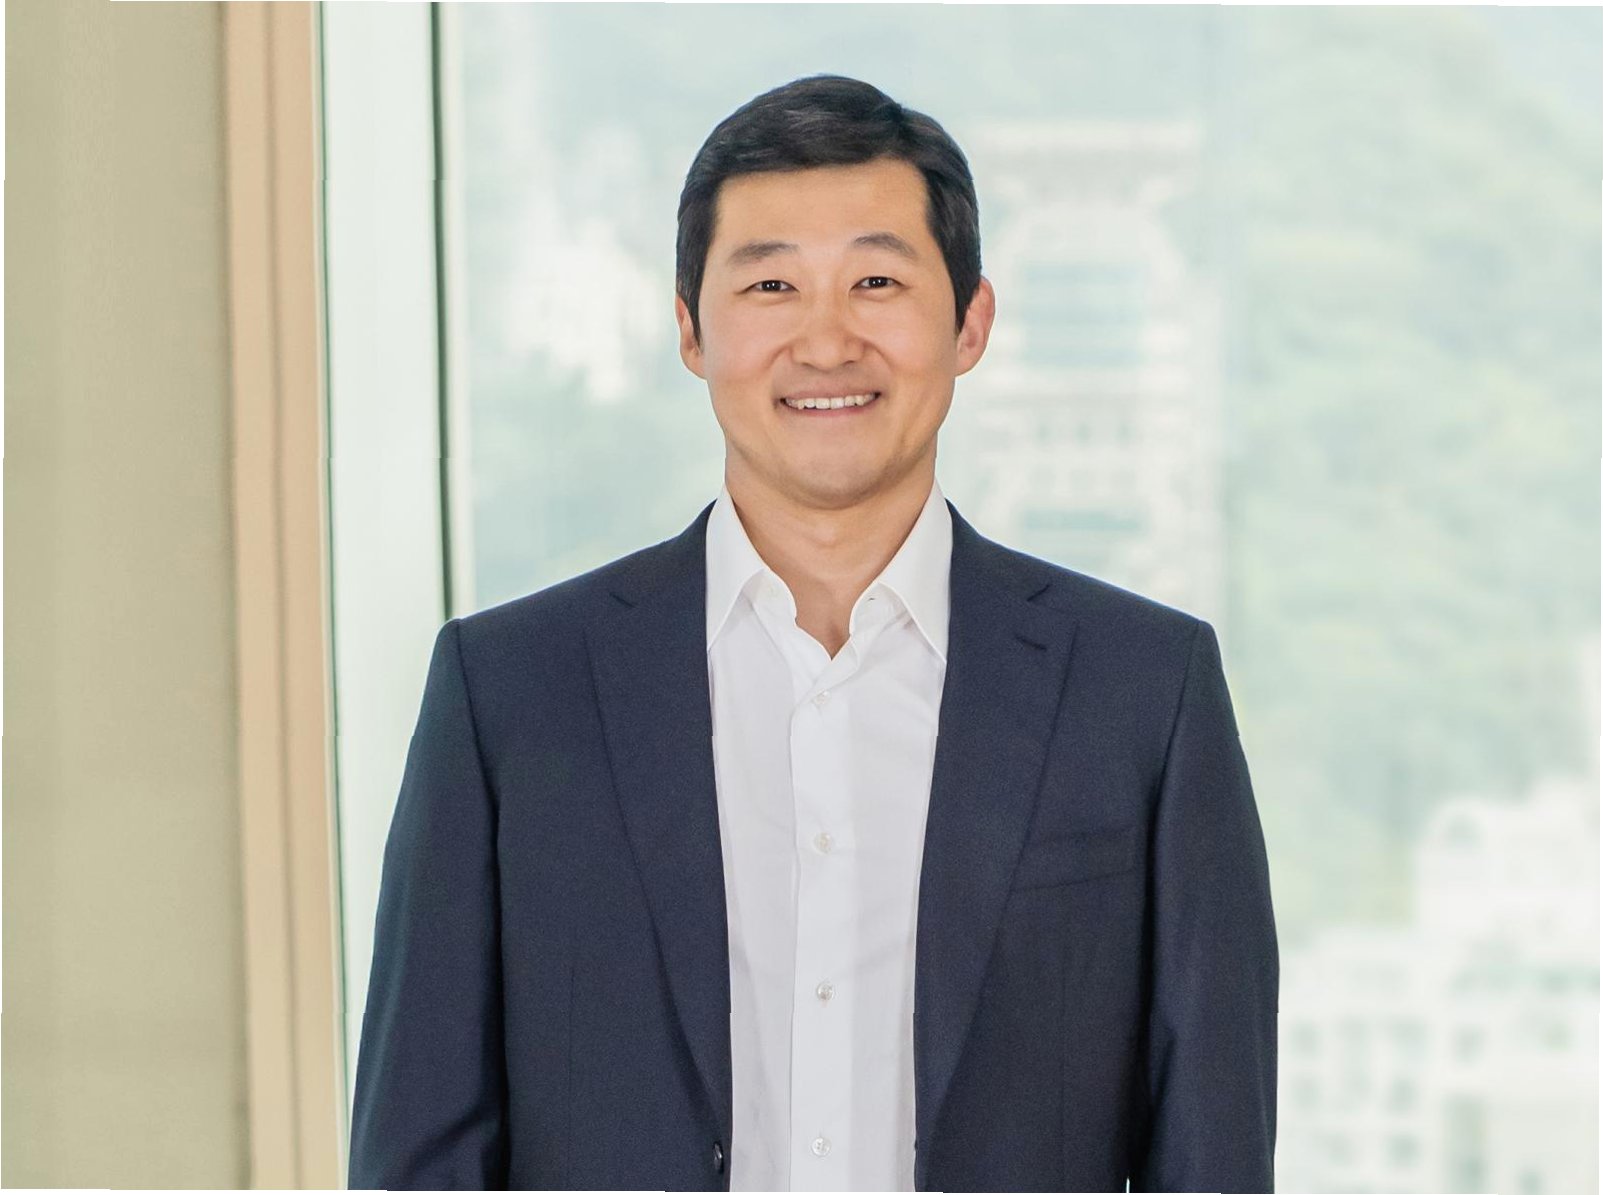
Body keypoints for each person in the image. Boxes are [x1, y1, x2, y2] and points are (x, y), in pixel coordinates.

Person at [347, 74, 1278, 1193]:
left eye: (876, 281)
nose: (826, 340)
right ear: (690, 328)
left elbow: (1214, 1153)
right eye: (771, 285)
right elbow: (417, 1155)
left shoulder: (1143, 692)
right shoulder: (508, 697)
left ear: (970, 322)